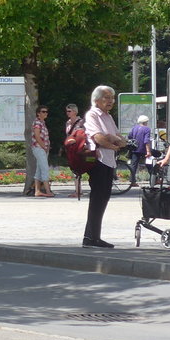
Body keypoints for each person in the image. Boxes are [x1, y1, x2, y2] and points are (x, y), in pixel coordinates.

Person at [82, 85, 127, 249]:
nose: (110, 101)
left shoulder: (108, 117)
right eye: (106, 97)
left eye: (112, 98)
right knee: (97, 199)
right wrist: (113, 143)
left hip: (109, 161)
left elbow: (120, 138)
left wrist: (114, 139)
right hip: (99, 161)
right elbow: (98, 137)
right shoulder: (93, 114)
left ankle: (93, 236)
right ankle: (90, 238)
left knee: (103, 199)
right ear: (96, 99)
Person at [30, 105, 54, 197]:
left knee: (39, 170)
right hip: (39, 148)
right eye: (43, 112)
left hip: (42, 149)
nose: (45, 113)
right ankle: (48, 191)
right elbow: (37, 136)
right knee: (45, 169)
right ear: (38, 113)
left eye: (46, 112)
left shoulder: (42, 122)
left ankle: (37, 190)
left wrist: (46, 147)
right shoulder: (37, 123)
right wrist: (44, 146)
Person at [65, 103, 85, 198]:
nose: (67, 113)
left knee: (79, 169)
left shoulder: (81, 122)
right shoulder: (68, 123)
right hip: (71, 148)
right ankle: (78, 190)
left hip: (80, 147)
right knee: (74, 169)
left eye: (69, 111)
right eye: (67, 111)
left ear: (75, 112)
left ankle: (78, 191)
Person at [127, 115, 153, 187]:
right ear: (145, 122)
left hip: (135, 149)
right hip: (143, 149)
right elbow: (146, 141)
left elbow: (129, 136)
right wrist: (148, 151)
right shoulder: (147, 129)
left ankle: (132, 181)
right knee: (149, 164)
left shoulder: (134, 128)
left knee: (133, 165)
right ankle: (154, 179)